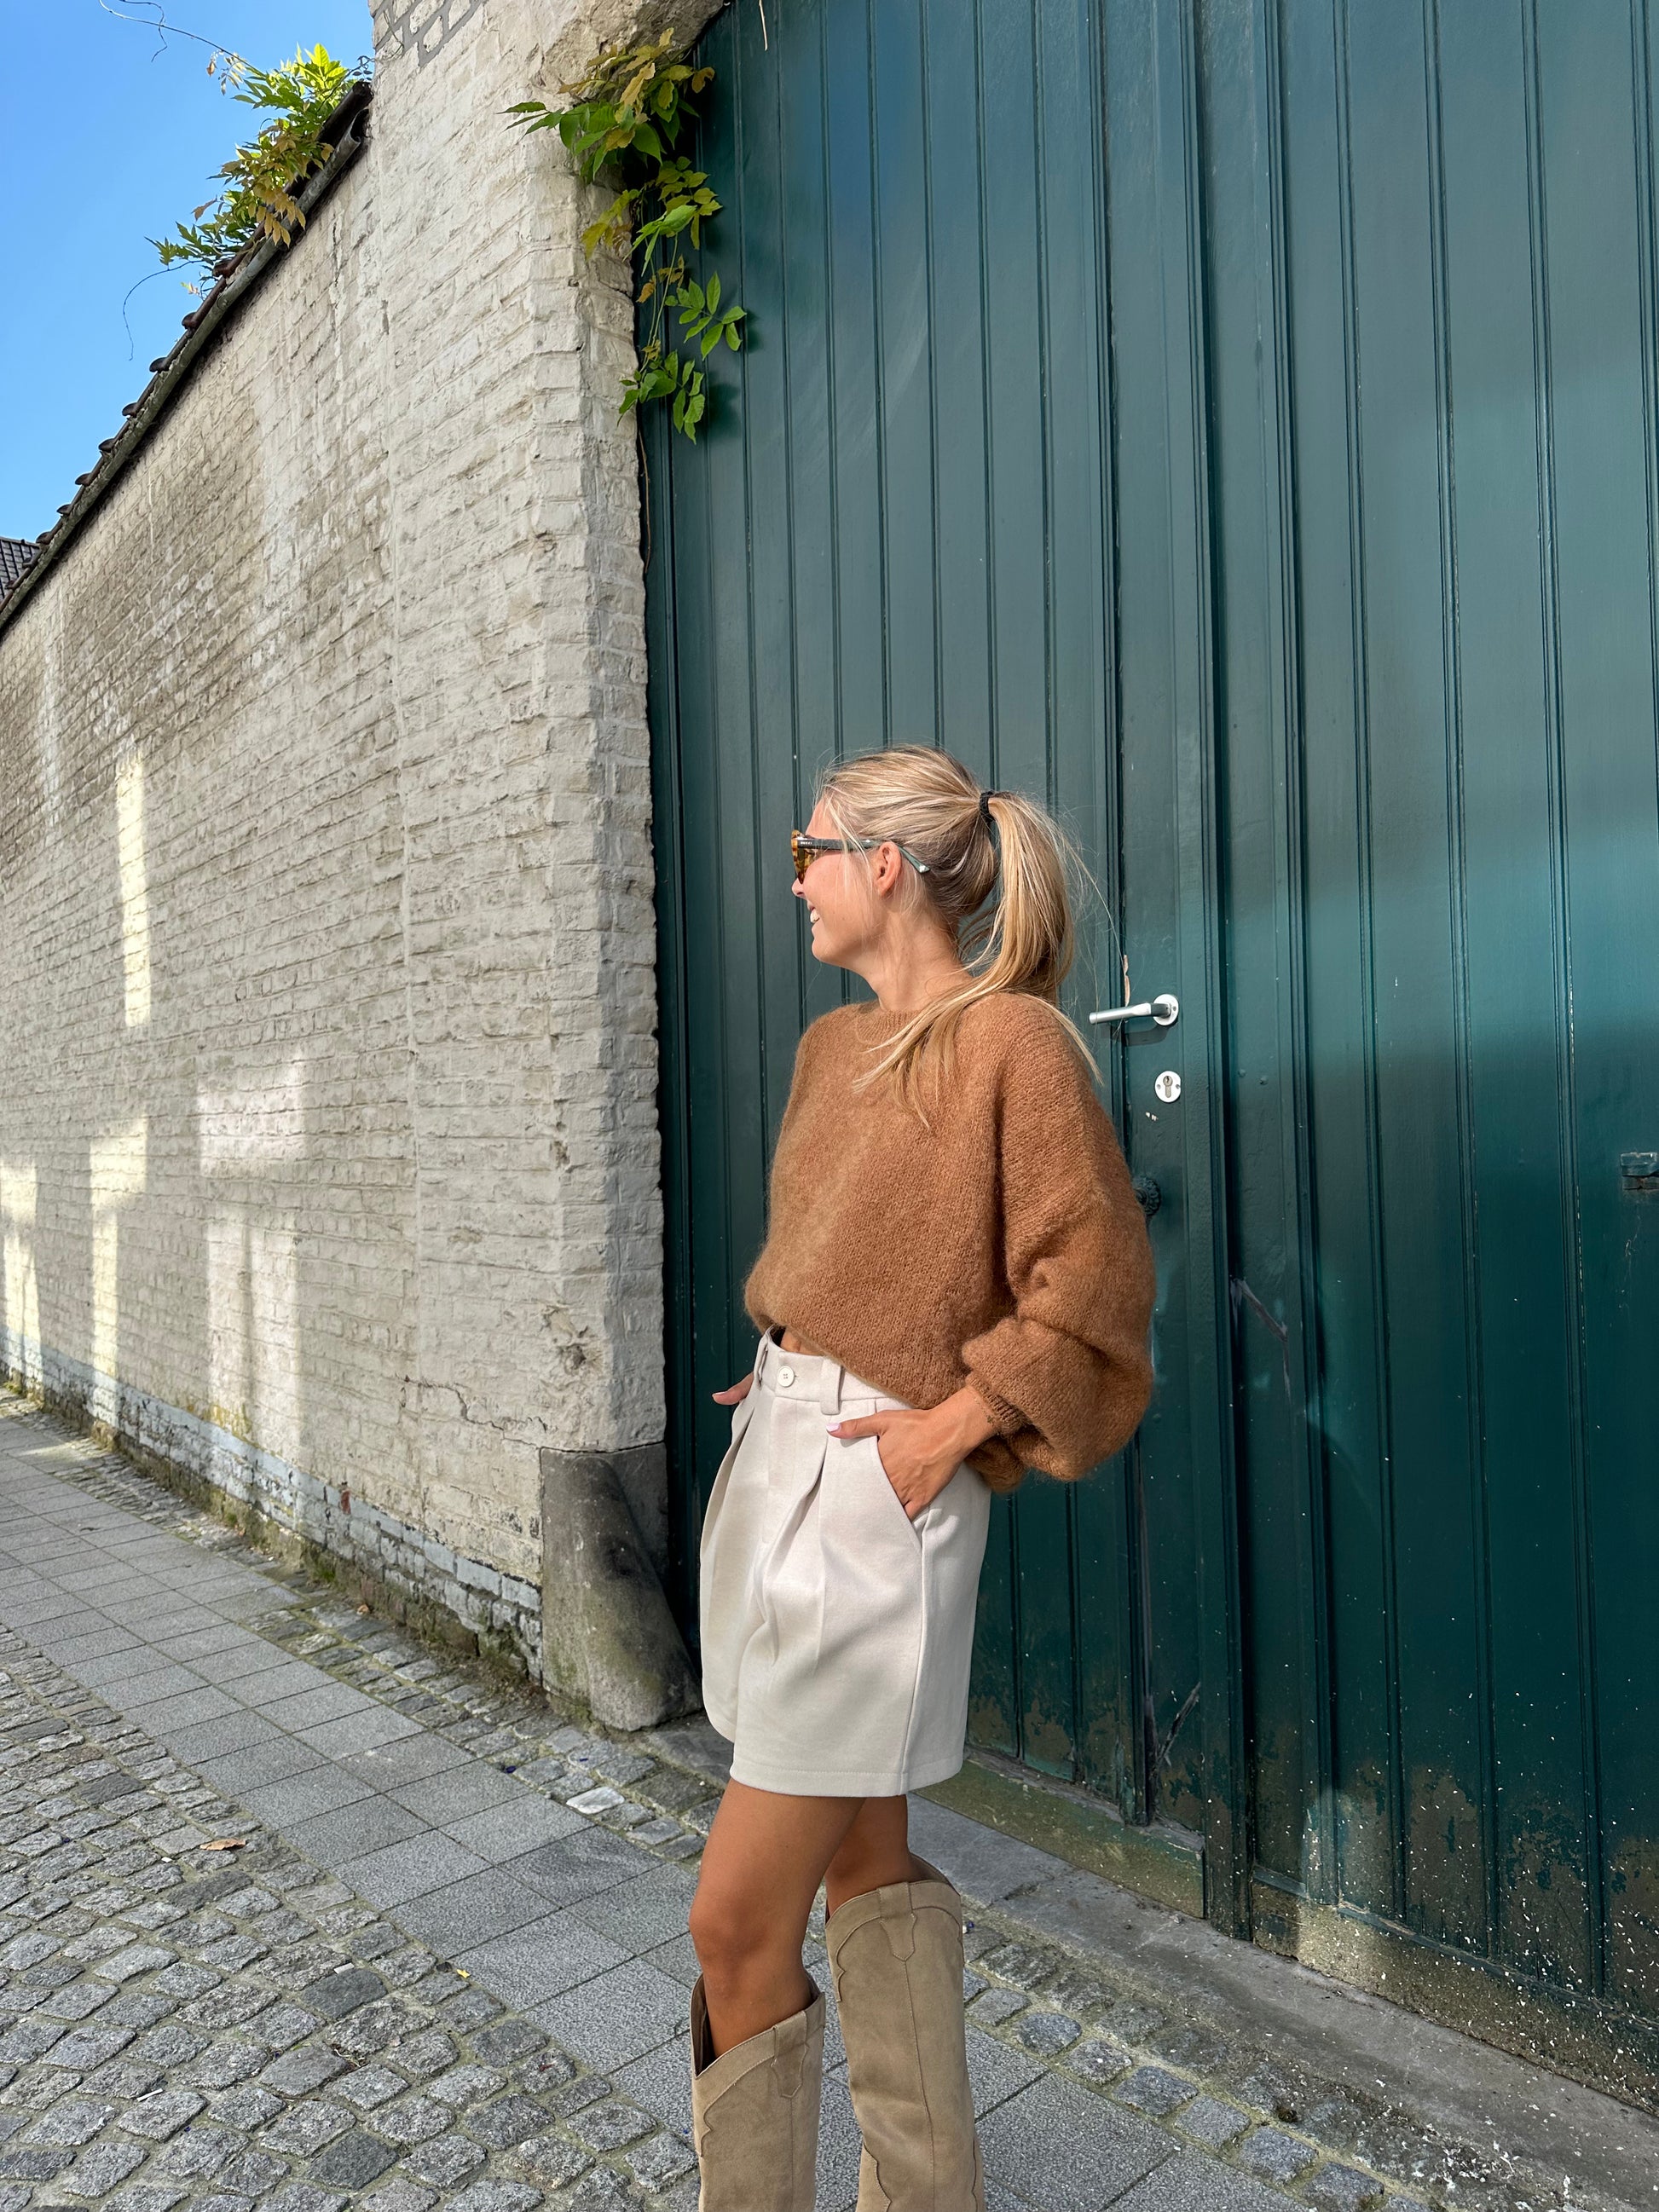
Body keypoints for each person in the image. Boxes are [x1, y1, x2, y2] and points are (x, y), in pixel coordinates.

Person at [685, 745, 1157, 2209]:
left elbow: (1093, 1285)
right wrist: (787, 1353)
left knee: (729, 1926)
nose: (794, 882)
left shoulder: (1013, 1046)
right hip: (780, 1453)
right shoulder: (832, 1050)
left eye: (808, 852)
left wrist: (950, 1428)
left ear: (882, 866)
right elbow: (841, 1257)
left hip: (875, 1492)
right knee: (862, 1854)